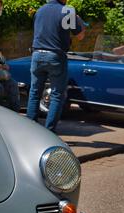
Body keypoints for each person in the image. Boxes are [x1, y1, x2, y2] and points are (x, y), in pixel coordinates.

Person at [26, 0, 85, 132]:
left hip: (36, 55)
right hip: (55, 56)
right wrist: (78, 20)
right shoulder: (67, 10)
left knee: (34, 93)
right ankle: (49, 132)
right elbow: (80, 36)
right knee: (57, 95)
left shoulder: (40, 10)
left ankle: (30, 131)